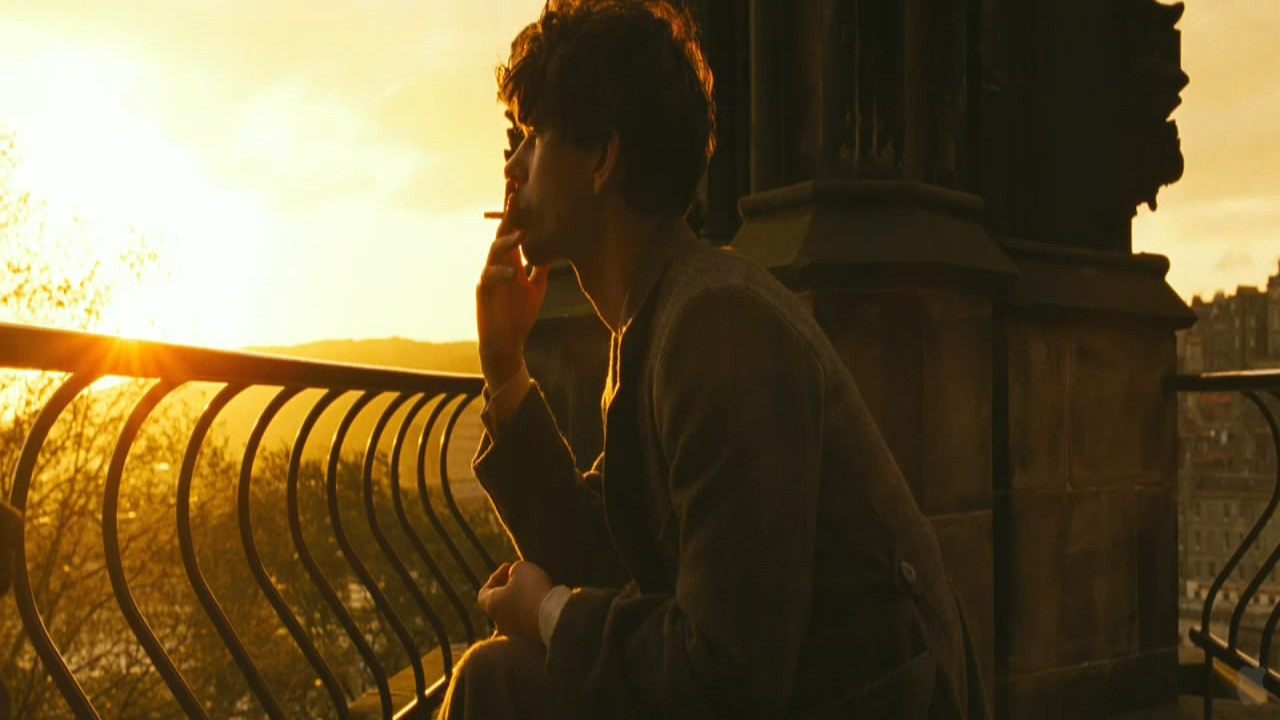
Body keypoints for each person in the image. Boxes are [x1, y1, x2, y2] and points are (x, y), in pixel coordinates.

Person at [442, 1, 988, 717]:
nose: (512, 167)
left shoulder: (715, 323)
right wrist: (505, 367)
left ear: (603, 159)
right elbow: (603, 552)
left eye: (534, 136)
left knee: (497, 683)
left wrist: (550, 614)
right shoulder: (666, 312)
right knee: (502, 677)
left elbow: (727, 675)